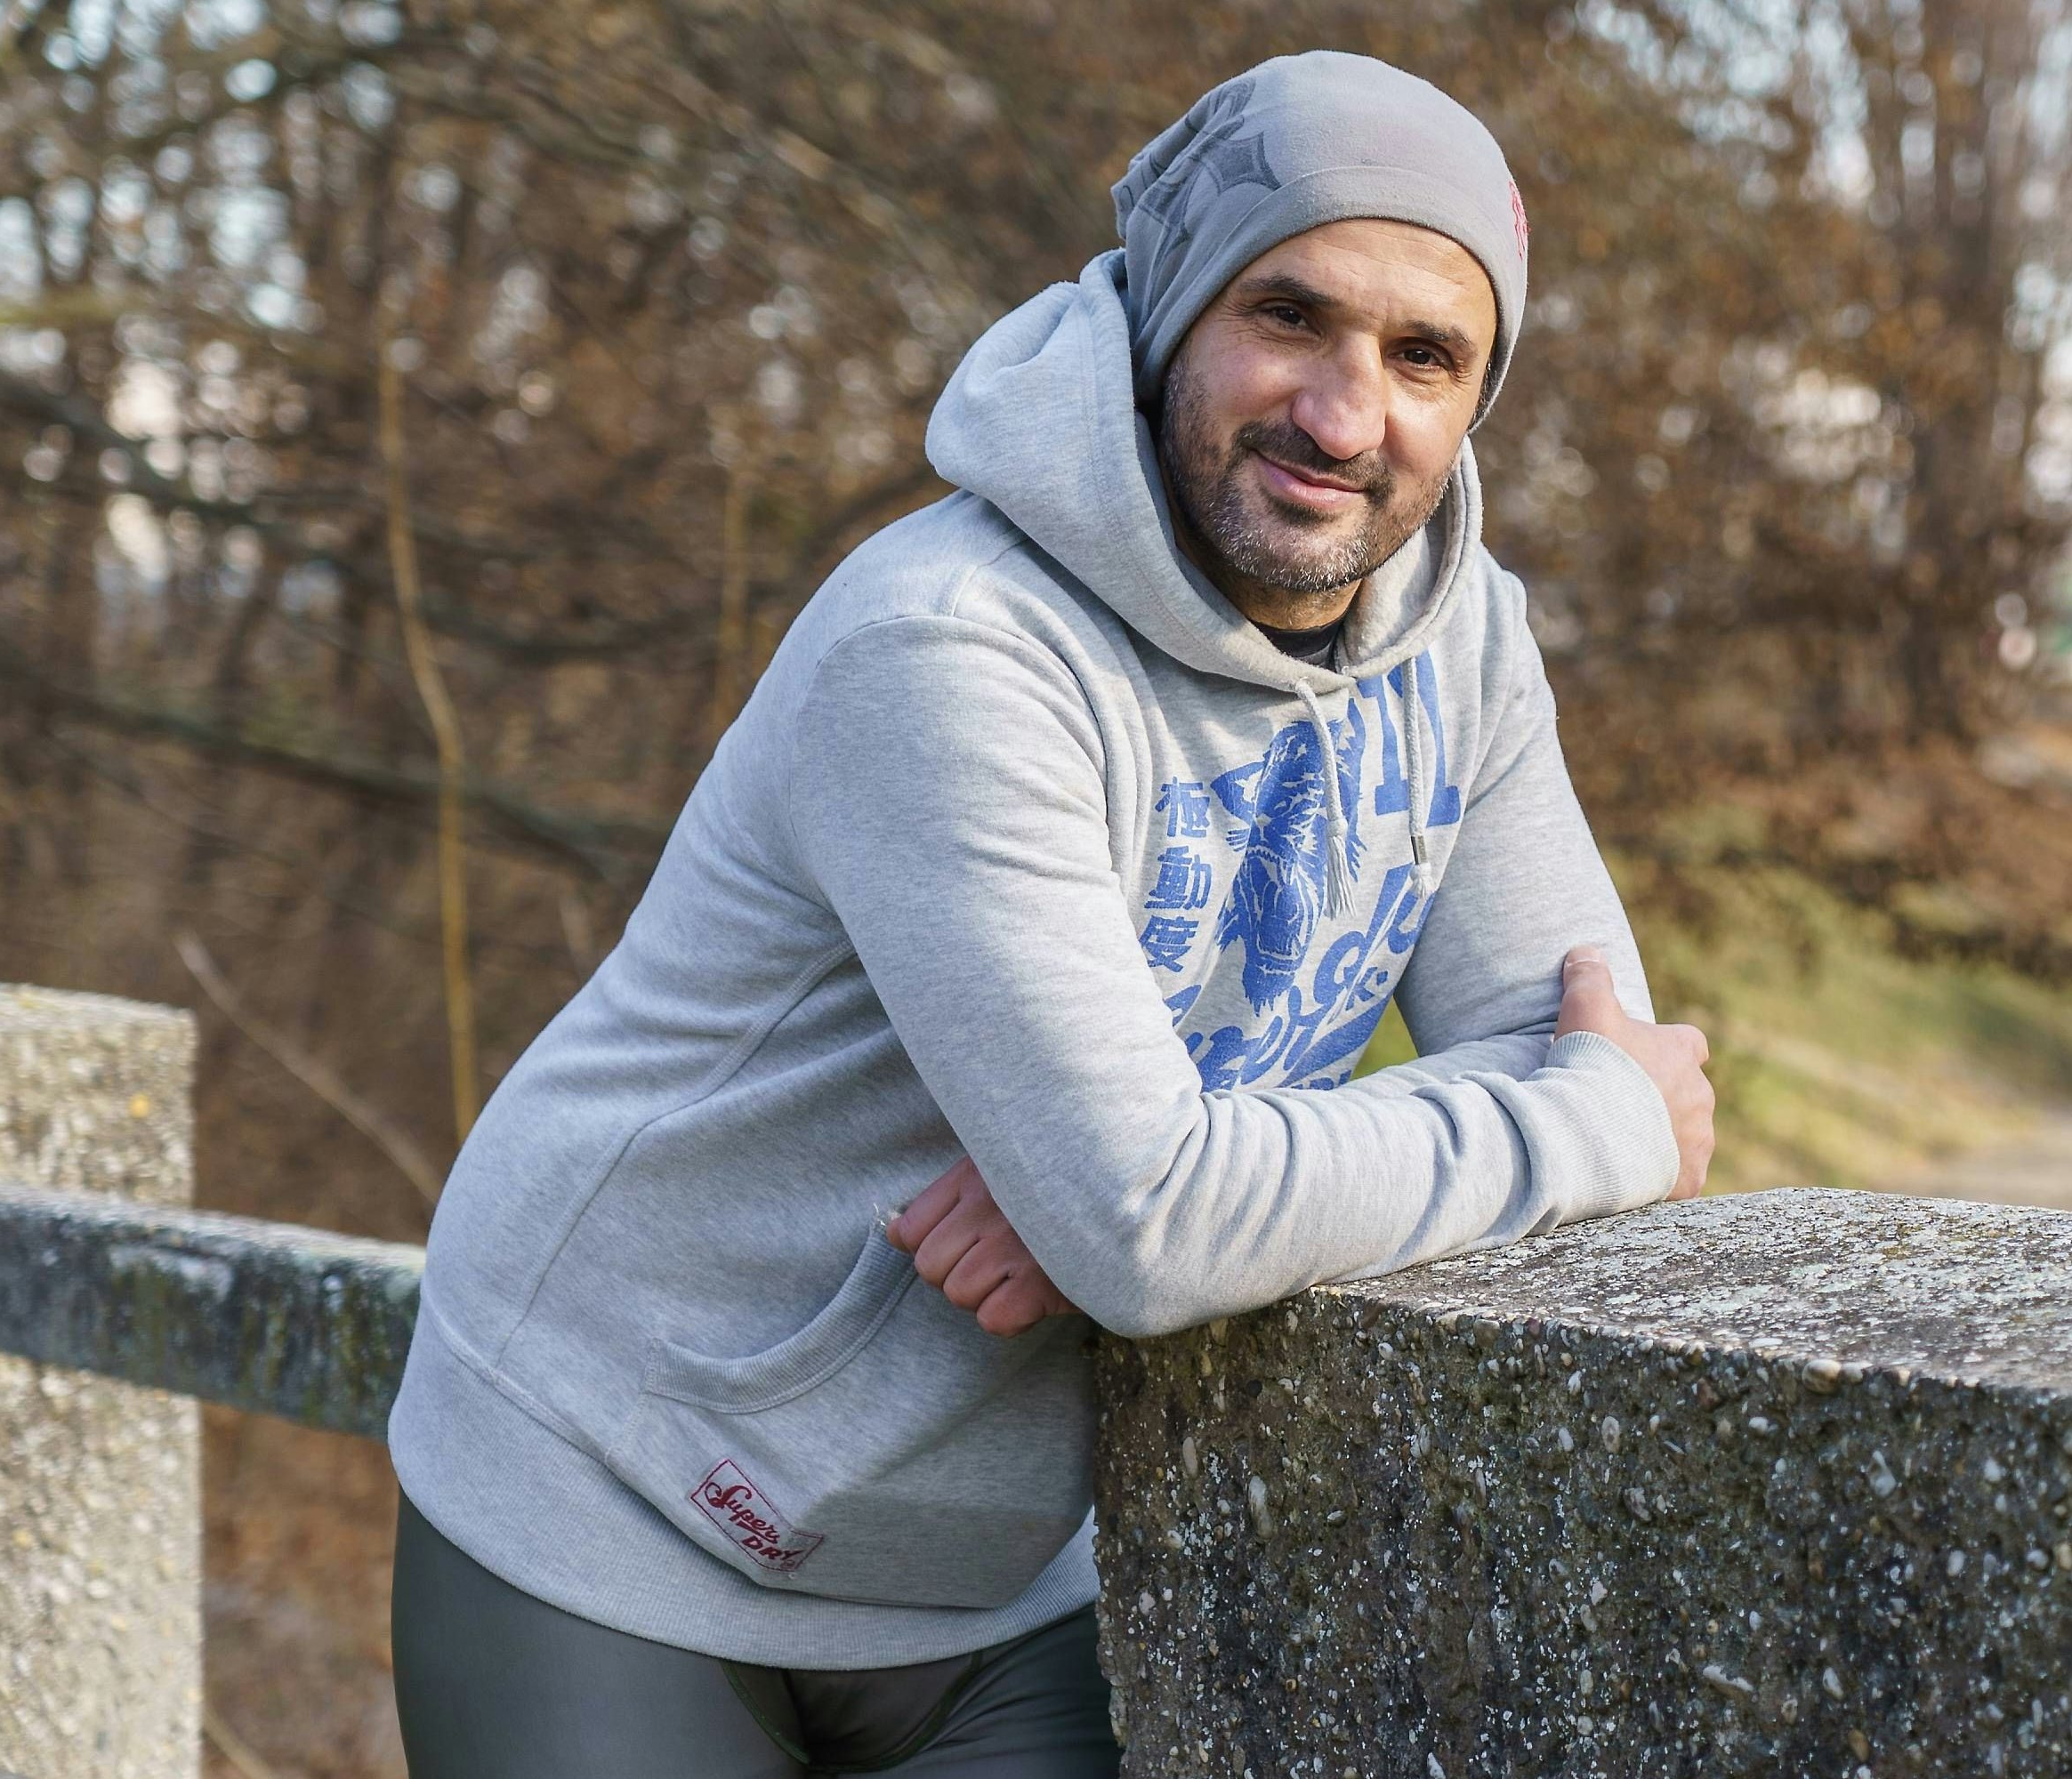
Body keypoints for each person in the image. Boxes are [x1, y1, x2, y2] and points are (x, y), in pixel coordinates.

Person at [386, 52, 1717, 1776]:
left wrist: (1178, 1171)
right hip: (609, 1489)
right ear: (1168, 312)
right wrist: (1140, 1191)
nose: (1340, 410)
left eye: (1421, 356)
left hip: (1011, 1571)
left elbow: (1578, 1070)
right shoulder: (949, 646)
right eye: (1287, 315)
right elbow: (1185, 1208)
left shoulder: (1467, 650)